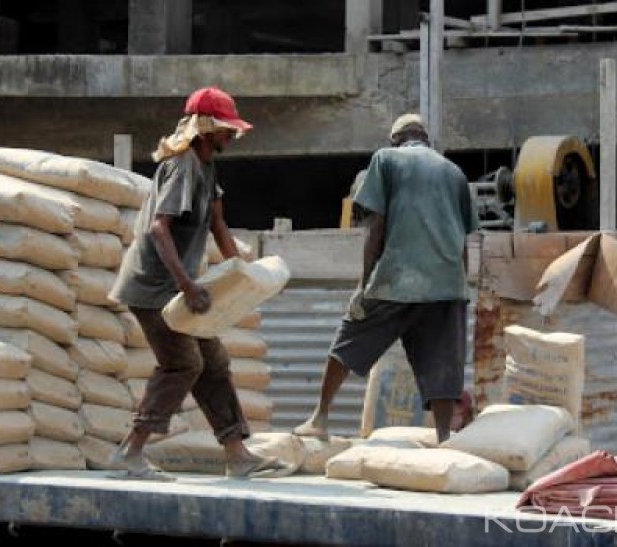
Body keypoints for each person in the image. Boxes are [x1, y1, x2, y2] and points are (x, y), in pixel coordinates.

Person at [108, 87, 288, 480]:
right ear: (205, 128)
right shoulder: (182, 165)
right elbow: (160, 228)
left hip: (177, 286)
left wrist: (244, 274)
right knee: (182, 362)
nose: (231, 136)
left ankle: (238, 455)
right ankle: (131, 450)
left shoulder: (206, 166)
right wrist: (188, 285)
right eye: (226, 129)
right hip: (154, 286)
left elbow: (218, 224)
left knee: (215, 361)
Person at [293, 114, 478, 444]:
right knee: (443, 365)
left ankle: (319, 418)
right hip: (448, 284)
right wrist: (460, 285)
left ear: (397, 140)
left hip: (398, 277)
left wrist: (363, 286)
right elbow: (462, 238)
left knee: (348, 341)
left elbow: (375, 226)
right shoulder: (455, 173)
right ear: (424, 139)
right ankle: (444, 437)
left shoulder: (385, 159)